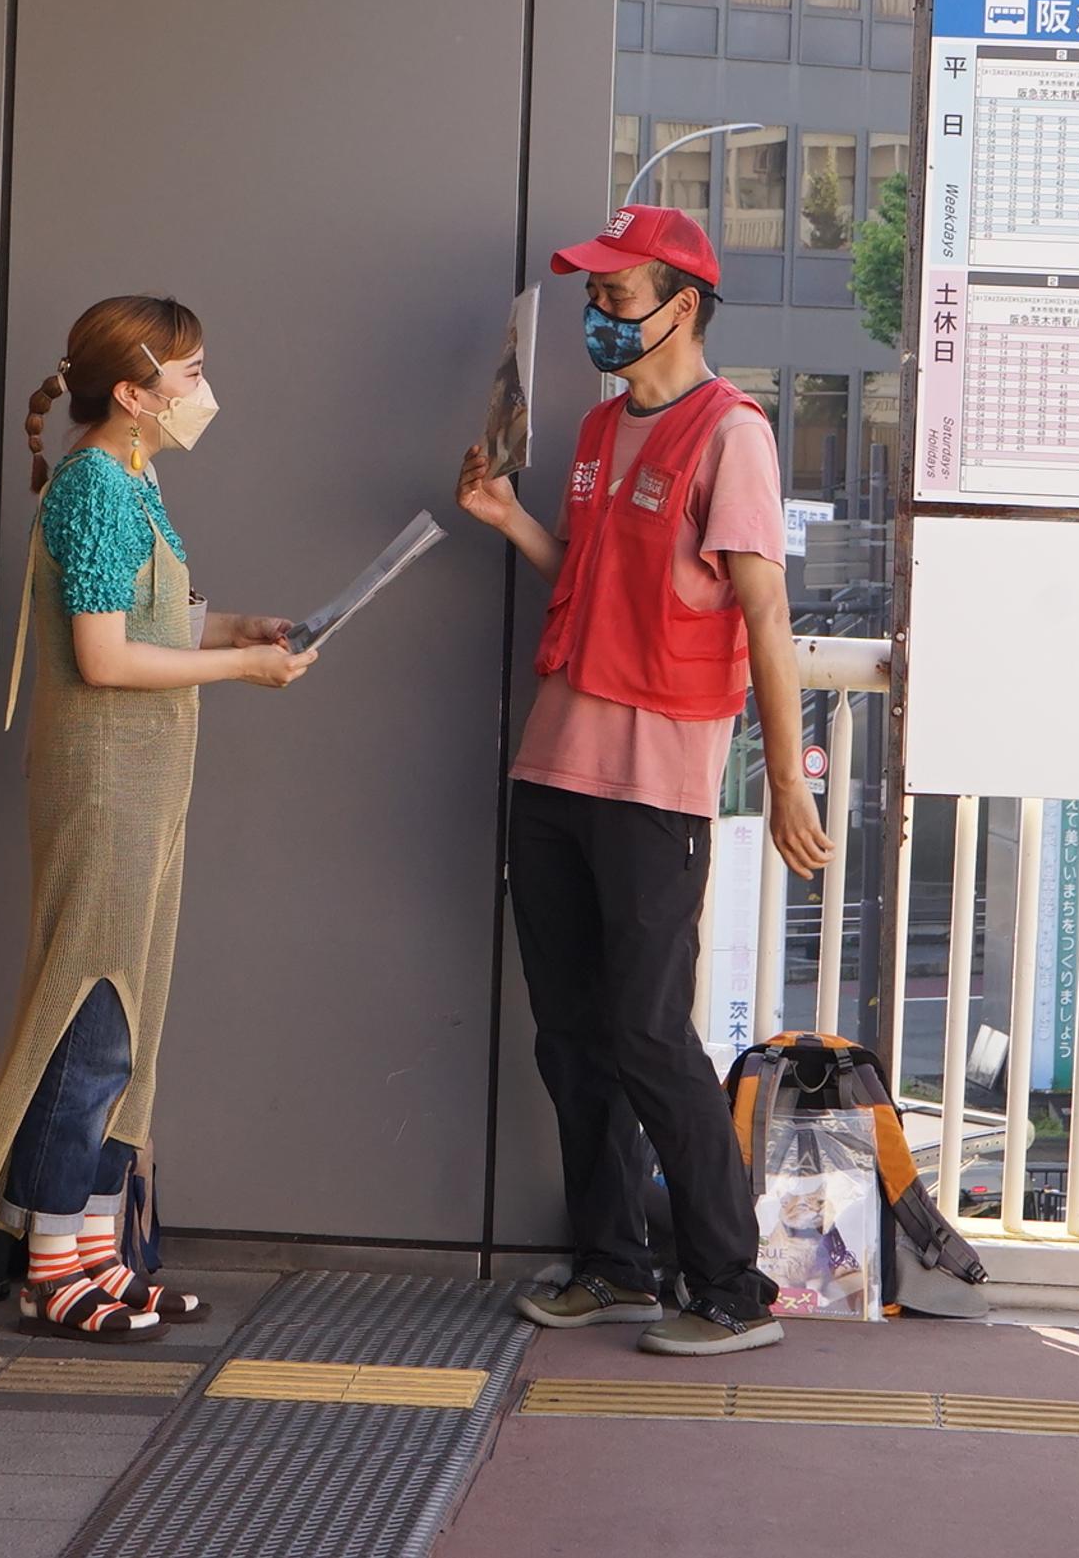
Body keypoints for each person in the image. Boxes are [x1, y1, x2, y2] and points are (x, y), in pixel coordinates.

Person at [458, 204, 831, 1358]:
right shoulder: (593, 428)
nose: (598, 317)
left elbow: (766, 617)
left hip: (659, 782)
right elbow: (599, 582)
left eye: (617, 298)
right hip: (553, 766)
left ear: (683, 306)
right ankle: (613, 1264)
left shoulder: (736, 435)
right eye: (594, 296)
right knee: (567, 1037)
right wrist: (510, 519)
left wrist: (785, 782)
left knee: (647, 1034)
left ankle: (730, 1287)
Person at [0, 295, 318, 1339]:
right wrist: (243, 665)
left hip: (145, 786)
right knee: (88, 1019)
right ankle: (52, 1261)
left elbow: (144, 618)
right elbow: (103, 659)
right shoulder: (98, 487)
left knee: (126, 1023)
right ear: (135, 394)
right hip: (105, 784)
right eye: (188, 374)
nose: (205, 391)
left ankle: (100, 1248)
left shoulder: (133, 480)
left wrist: (238, 626)